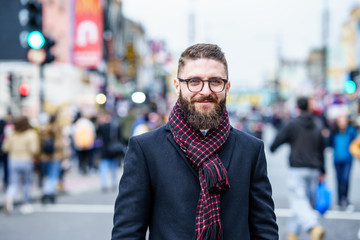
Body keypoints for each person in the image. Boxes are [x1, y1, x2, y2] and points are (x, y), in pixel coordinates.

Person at [112, 43, 278, 239]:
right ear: (177, 86)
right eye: (194, 81)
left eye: (215, 81)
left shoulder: (251, 150)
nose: (205, 91)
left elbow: (265, 231)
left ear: (227, 87)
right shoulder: (145, 149)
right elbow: (127, 233)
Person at [270, 96, 326, 240]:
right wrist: (323, 171)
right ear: (308, 107)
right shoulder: (318, 124)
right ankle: (292, 234)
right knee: (303, 203)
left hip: (297, 169)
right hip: (314, 169)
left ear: (298, 108)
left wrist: (273, 147)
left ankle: (313, 226)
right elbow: (322, 150)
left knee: (299, 201)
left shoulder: (292, 124)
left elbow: (277, 142)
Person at [1, 115, 39, 214]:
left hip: (13, 160)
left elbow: (5, 148)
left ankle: (9, 199)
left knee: (13, 183)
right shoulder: (30, 134)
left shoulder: (12, 134)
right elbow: (34, 149)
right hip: (26, 159)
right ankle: (25, 204)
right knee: (26, 183)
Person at [329, 114, 357, 211]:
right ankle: (339, 200)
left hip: (348, 160)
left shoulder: (351, 131)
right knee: (338, 180)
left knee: (345, 179)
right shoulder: (334, 132)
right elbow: (329, 143)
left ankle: (346, 199)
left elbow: (356, 142)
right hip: (337, 159)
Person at [38, 113, 67, 204]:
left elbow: (39, 143)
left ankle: (47, 192)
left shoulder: (43, 128)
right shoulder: (58, 129)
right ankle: (49, 193)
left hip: (44, 156)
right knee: (53, 175)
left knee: (47, 176)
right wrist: (64, 156)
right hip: (55, 156)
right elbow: (60, 144)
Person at [96, 110, 125, 192]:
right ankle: (114, 184)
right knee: (114, 168)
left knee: (103, 168)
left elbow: (97, 135)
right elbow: (120, 138)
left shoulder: (102, 126)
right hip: (114, 150)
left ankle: (104, 184)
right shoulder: (116, 126)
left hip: (105, 150)